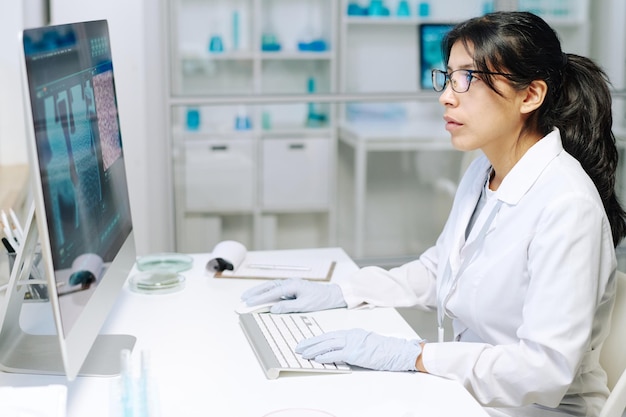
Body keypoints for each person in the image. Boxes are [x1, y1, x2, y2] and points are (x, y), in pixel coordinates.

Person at [240, 11, 626, 417]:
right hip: (472, 393)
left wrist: (416, 354)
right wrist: (345, 292)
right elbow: (441, 268)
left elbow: (543, 371)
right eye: (447, 77)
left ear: (530, 95)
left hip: (538, 410)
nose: (446, 95)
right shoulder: (484, 171)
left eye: (468, 79)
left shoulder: (567, 205)